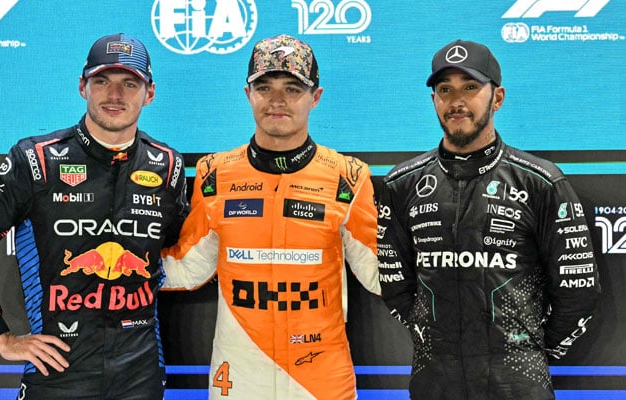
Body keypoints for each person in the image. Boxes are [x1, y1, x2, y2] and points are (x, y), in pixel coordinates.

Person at [0, 33, 189, 399]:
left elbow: (184, 253)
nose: (114, 95)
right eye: (102, 81)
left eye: (129, 83)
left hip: (140, 375)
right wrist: (0, 337)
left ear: (149, 93)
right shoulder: (35, 161)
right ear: (83, 86)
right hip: (57, 375)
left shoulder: (168, 166)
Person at [376, 39, 601, 400]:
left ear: (497, 98)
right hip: (435, 381)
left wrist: (526, 348)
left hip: (518, 383)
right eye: (444, 90)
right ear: (434, 100)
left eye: (470, 87)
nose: (456, 101)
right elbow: (395, 285)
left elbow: (579, 291)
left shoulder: (541, 182)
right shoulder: (402, 184)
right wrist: (430, 336)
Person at [160, 34, 380, 399]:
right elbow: (189, 266)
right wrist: (120, 263)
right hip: (239, 374)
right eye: (264, 87)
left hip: (320, 376)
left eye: (293, 88)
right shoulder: (215, 173)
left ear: (316, 97)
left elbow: (380, 274)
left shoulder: (349, 176)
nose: (277, 100)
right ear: (248, 94)